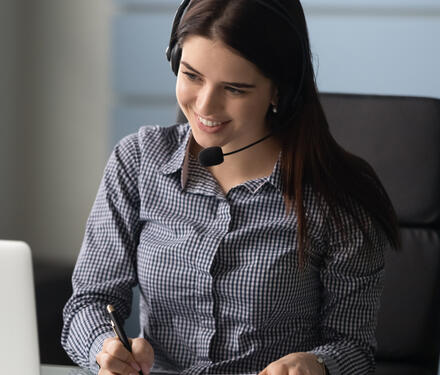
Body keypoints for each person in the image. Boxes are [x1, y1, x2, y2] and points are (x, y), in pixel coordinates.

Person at [61, 0, 399, 374]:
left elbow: (354, 348)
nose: (205, 105)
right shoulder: (138, 161)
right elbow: (89, 302)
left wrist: (318, 365)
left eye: (235, 89)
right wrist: (104, 349)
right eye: (191, 76)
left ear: (279, 92)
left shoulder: (337, 196)